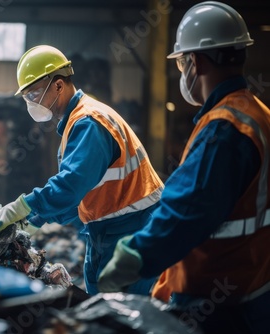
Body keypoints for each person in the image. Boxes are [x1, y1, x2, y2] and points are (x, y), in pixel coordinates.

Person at [97, 2, 270, 333]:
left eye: (181, 62)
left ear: (197, 61)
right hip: (255, 285)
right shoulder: (258, 115)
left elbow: (186, 210)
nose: (182, 70)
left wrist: (134, 255)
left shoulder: (225, 128)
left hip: (216, 299)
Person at [0, 45, 164, 296]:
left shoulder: (89, 122)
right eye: (27, 98)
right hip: (109, 228)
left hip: (130, 230)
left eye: (34, 95)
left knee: (121, 310)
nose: (31, 104)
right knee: (101, 304)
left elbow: (72, 184)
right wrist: (36, 220)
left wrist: (22, 206)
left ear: (58, 85)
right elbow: (82, 193)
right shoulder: (77, 120)